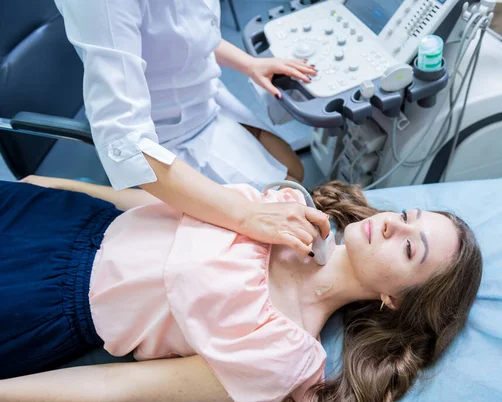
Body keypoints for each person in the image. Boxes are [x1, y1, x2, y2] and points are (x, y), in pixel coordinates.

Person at [0, 176, 482, 402]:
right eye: (405, 215)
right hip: (63, 217)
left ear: (394, 301)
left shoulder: (280, 356)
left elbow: (111, 388)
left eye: (409, 248)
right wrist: (63, 188)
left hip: (38, 303)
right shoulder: (287, 208)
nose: (392, 224)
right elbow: (161, 207)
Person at [53, 0, 326, 258]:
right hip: (165, 139)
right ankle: (98, 196)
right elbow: (125, 142)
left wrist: (249, 64)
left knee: (294, 171)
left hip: (207, 101)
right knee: (282, 206)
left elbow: (189, 33)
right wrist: (247, 214)